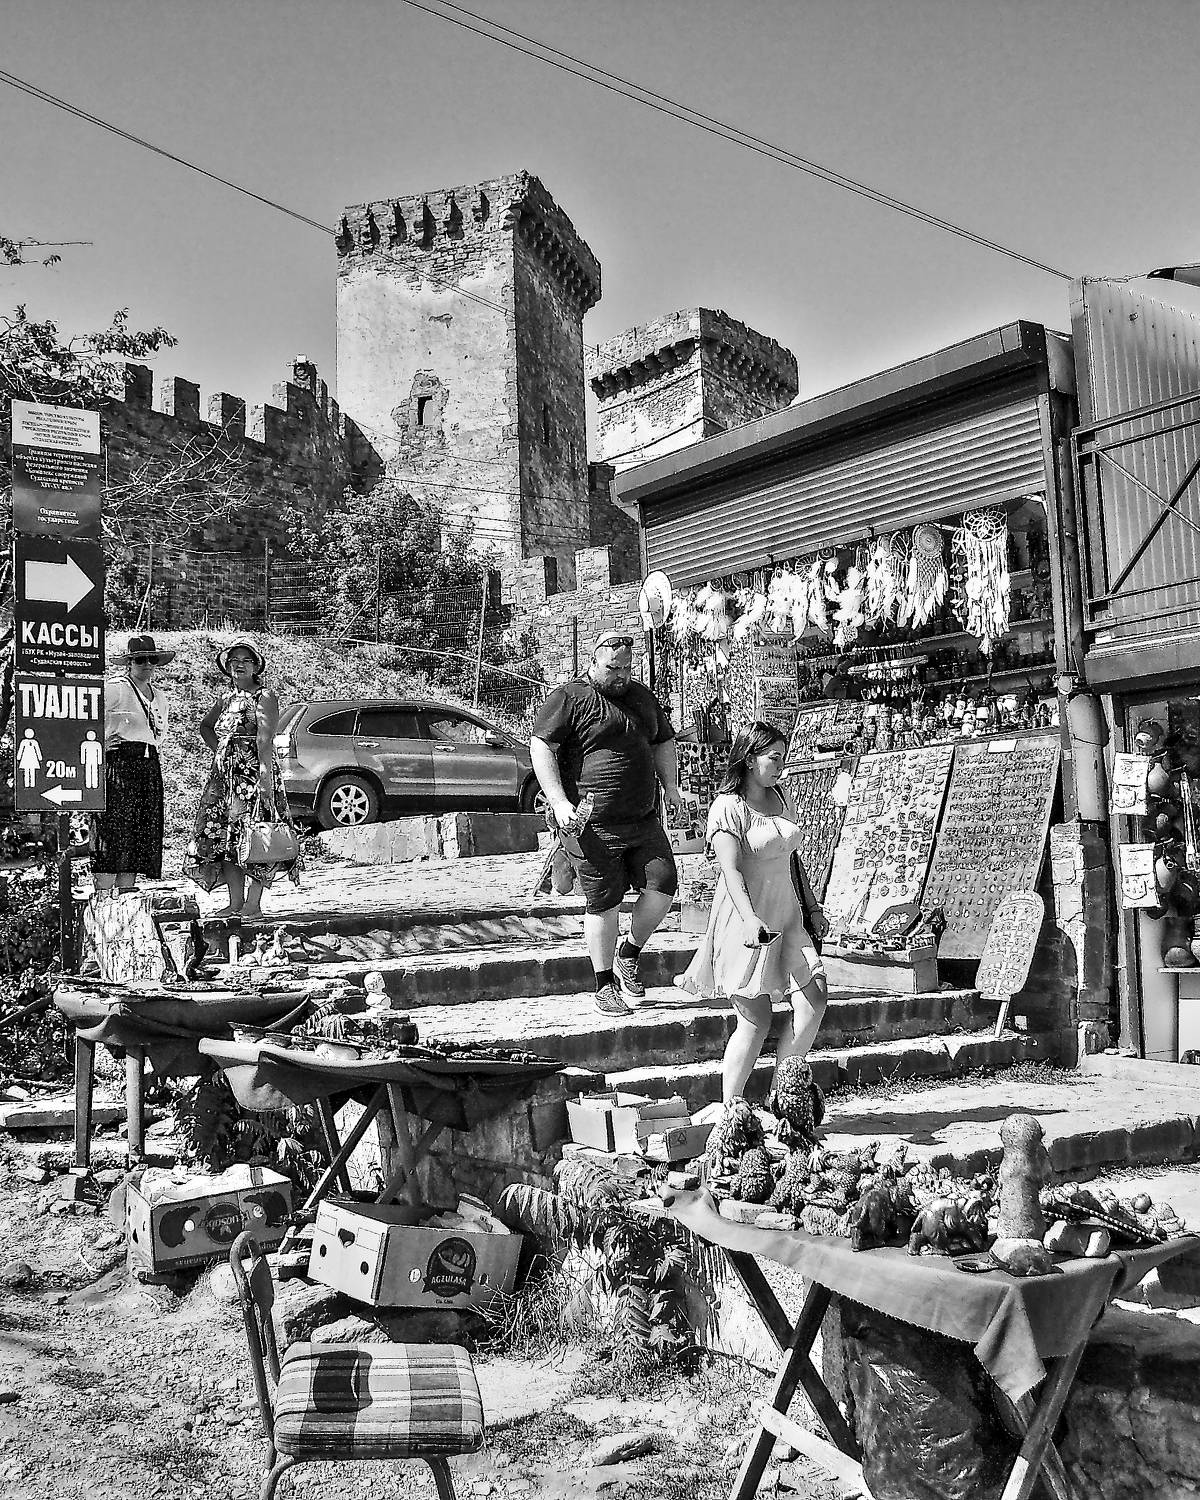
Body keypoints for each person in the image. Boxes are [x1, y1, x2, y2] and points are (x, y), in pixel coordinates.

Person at [530, 628, 684, 1017]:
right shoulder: (570, 697)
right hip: (591, 824)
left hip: (643, 819)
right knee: (605, 901)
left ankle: (628, 953)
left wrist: (671, 787)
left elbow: (663, 740)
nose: (621, 676)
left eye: (627, 668)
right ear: (593, 661)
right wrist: (558, 800)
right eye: (613, 668)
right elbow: (541, 745)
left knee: (663, 884)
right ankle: (604, 985)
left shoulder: (641, 697)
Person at [677, 721, 829, 1103]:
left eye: (783, 757)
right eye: (773, 758)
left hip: (788, 915)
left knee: (815, 999)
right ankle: (730, 1109)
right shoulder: (728, 807)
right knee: (755, 1019)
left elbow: (792, 859)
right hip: (744, 919)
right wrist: (749, 918)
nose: (781, 765)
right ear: (748, 759)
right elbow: (730, 870)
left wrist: (812, 906)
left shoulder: (781, 797)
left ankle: (783, 1096)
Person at [184, 639, 299, 918]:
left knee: (258, 834)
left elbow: (265, 738)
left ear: (256, 666)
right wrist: (222, 751)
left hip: (253, 774)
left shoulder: (264, 696)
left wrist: (264, 775)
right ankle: (235, 902)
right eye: (234, 659)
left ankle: (253, 904)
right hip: (225, 778)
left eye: (246, 660)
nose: (239, 664)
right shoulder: (226, 699)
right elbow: (206, 727)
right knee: (227, 838)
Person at [92, 633, 174, 892]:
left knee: (137, 835)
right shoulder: (116, 688)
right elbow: (88, 714)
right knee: (113, 833)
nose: (147, 665)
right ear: (129, 663)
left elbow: (159, 733)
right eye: (140, 660)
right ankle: (103, 898)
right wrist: (100, 744)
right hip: (120, 763)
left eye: (151, 659)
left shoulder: (158, 696)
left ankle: (126, 897)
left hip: (148, 765)